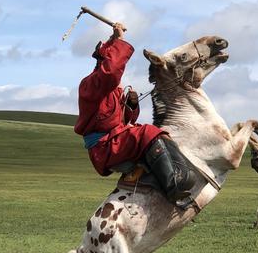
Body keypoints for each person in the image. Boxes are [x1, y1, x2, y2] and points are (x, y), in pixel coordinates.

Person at [74, 23, 197, 205]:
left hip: (114, 140)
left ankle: (181, 174)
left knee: (154, 133)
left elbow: (120, 121)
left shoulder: (109, 88)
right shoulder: (91, 84)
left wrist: (131, 105)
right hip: (105, 147)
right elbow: (111, 72)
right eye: (111, 58)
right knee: (148, 133)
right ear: (104, 61)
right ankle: (173, 186)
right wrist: (119, 40)